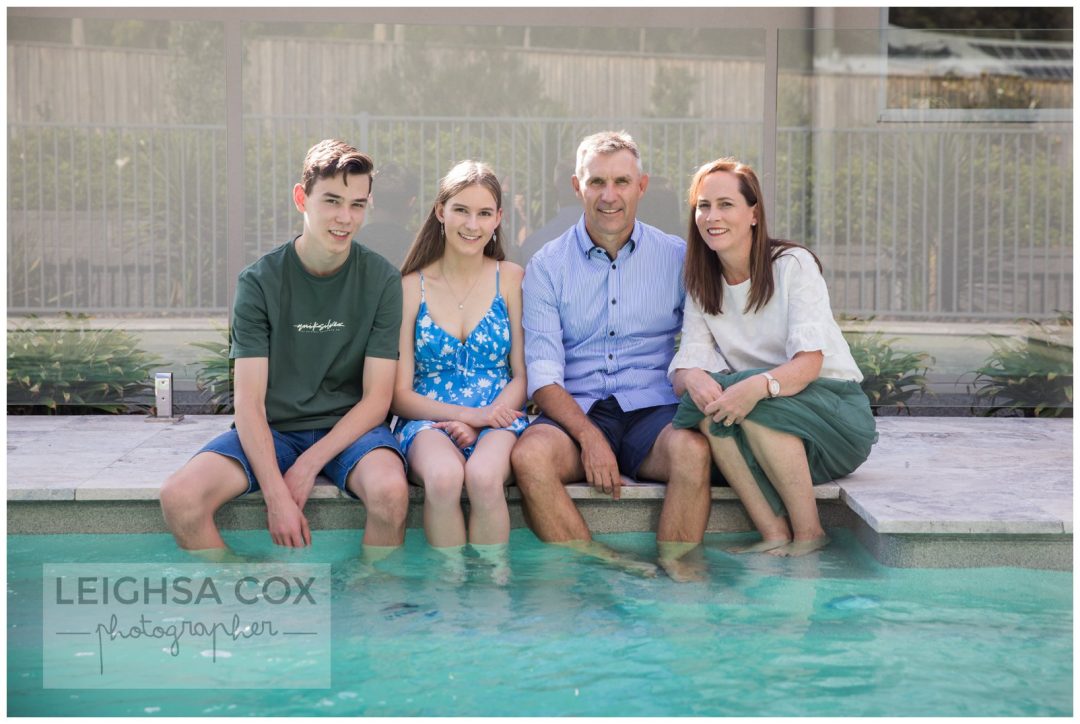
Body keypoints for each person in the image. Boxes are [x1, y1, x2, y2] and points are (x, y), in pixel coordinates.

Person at [160, 139, 409, 561]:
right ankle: (247, 589)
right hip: (273, 431)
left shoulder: (382, 279)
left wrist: (309, 465)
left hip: (351, 431)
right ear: (301, 198)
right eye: (332, 201)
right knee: (180, 499)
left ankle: (370, 595)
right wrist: (277, 495)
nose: (345, 218)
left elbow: (376, 401)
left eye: (357, 204)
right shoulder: (259, 282)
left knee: (390, 493)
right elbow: (249, 402)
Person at [511, 130, 712, 580]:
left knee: (693, 453)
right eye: (596, 182)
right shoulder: (546, 266)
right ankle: (601, 565)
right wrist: (588, 436)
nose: (609, 196)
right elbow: (543, 376)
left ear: (641, 186)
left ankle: (679, 575)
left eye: (621, 182)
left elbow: (703, 342)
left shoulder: (677, 258)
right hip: (576, 410)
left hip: (651, 410)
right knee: (529, 458)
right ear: (577, 187)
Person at [668, 158, 877, 557]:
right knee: (706, 405)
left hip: (835, 416)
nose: (712, 217)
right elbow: (688, 362)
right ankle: (774, 532)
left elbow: (809, 363)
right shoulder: (700, 281)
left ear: (754, 213)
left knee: (744, 400)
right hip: (774, 436)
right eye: (703, 205)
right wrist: (692, 378)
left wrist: (757, 387)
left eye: (726, 204)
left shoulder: (792, 266)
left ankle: (809, 533)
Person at [392, 160, 528, 569]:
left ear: (498, 219)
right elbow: (399, 395)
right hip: (429, 419)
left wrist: (485, 419)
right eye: (461, 210)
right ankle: (448, 595)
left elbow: (522, 374)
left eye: (484, 213)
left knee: (485, 479)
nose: (473, 224)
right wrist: (466, 415)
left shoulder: (512, 278)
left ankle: (492, 595)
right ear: (440, 212)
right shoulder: (410, 287)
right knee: (444, 479)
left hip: (500, 414)